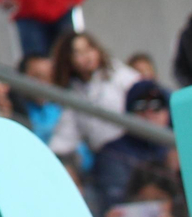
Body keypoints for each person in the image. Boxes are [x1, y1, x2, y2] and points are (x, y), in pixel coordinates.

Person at [50, 31, 143, 163]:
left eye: (89, 49)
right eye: (79, 53)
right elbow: (65, 136)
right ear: (68, 59)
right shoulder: (72, 95)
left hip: (135, 144)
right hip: (107, 156)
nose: (87, 56)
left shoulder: (117, 73)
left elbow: (144, 91)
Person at [94, 81, 180, 211]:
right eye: (140, 105)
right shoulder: (113, 152)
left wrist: (180, 173)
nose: (149, 112)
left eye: (157, 105)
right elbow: (114, 204)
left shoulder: (180, 150)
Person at [11, 52, 65, 146]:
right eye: (37, 77)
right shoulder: (12, 108)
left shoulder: (61, 109)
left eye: (49, 77)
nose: (43, 83)